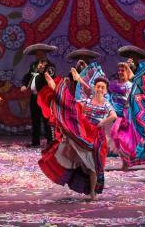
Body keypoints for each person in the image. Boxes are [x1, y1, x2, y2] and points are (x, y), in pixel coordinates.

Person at [39, 71, 116, 200]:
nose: (100, 89)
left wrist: (102, 122)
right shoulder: (88, 100)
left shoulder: (106, 104)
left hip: (96, 136)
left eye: (102, 87)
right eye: (98, 87)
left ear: (106, 91)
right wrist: (78, 79)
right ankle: (55, 88)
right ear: (95, 88)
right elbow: (75, 105)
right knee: (69, 106)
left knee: (93, 167)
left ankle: (93, 192)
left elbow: (114, 115)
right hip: (85, 130)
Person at [21, 44, 57, 148]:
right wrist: (24, 85)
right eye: (36, 54)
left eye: (40, 53)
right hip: (34, 96)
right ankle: (35, 142)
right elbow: (27, 76)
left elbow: (50, 80)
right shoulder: (33, 65)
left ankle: (50, 142)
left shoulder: (50, 66)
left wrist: (42, 72)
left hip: (45, 97)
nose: (38, 55)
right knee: (35, 119)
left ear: (44, 54)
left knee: (46, 119)